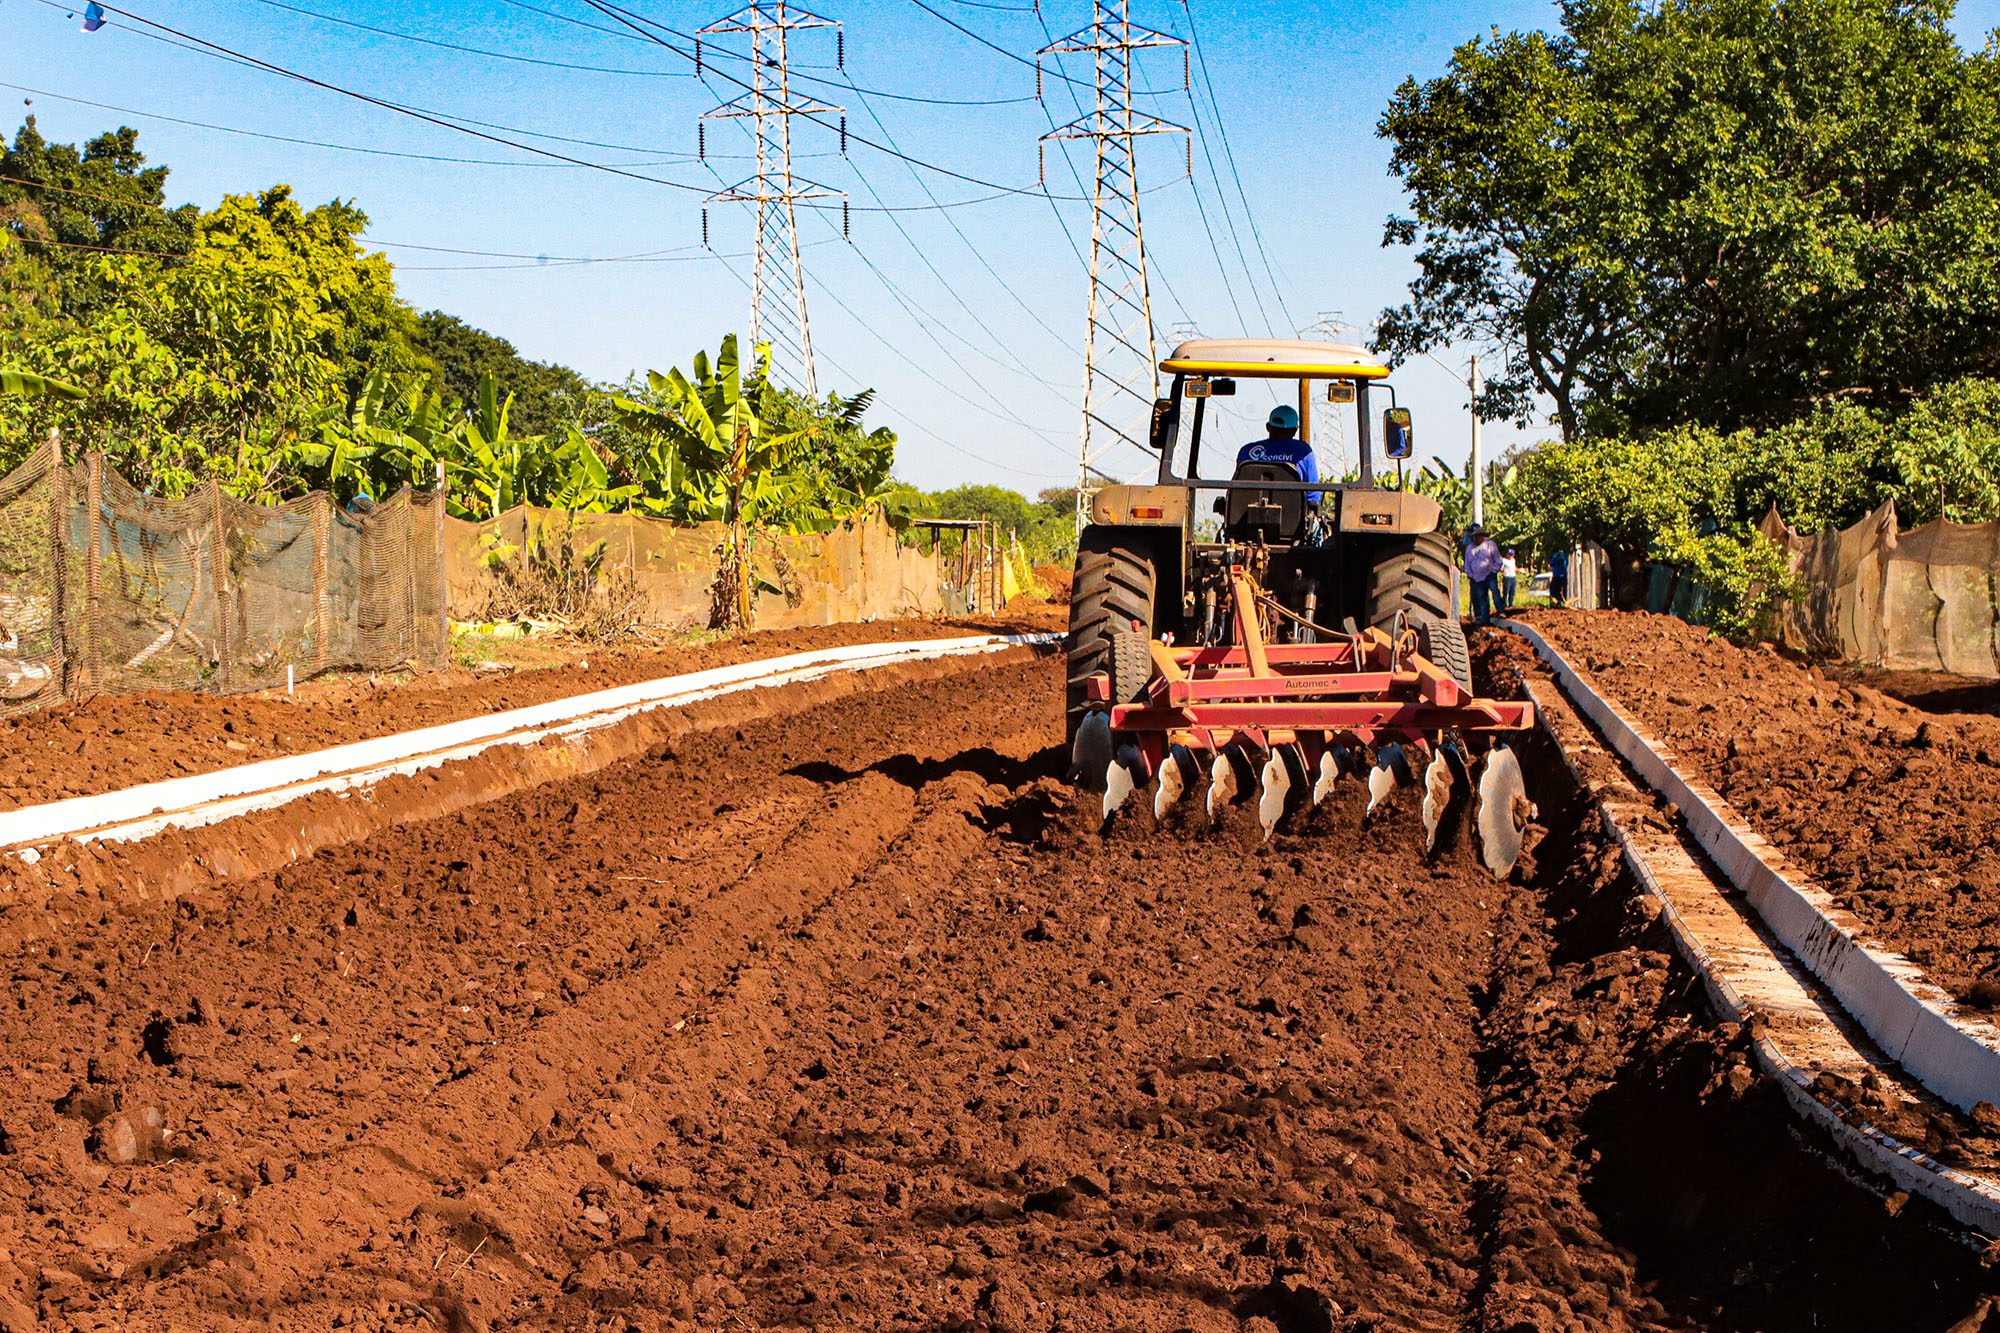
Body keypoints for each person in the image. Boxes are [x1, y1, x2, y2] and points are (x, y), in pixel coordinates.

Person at [1236, 404, 1320, 505]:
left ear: (1268, 427)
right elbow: (1313, 495)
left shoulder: (1247, 450)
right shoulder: (1303, 451)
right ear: (1295, 431)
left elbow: (1236, 487)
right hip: (1292, 513)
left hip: (1246, 512)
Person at [1464, 524, 1502, 625]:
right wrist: (1470, 575)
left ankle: (1501, 611)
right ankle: (1484, 618)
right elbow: (1467, 564)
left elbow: (1498, 560)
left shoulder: (1490, 545)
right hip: (1476, 577)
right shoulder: (1469, 548)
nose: (1476, 538)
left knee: (1495, 593)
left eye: (1478, 536)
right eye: (1474, 536)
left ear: (1482, 536)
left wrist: (1493, 570)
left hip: (1489, 574)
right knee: (1482, 598)